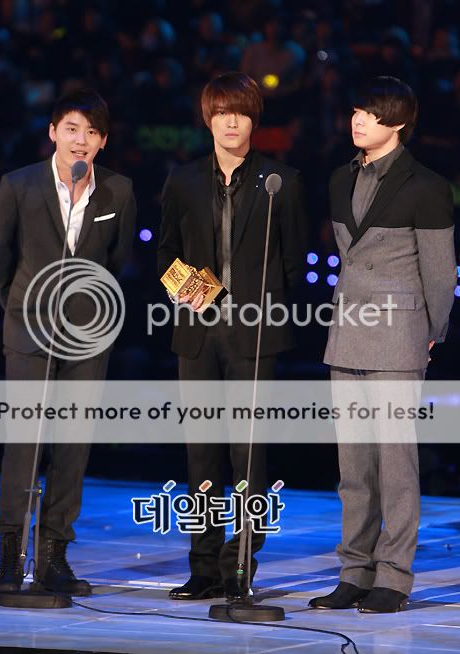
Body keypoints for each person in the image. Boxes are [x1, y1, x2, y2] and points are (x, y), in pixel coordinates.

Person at [158, 71, 306, 601]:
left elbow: (294, 262)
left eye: (240, 113)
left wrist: (260, 309)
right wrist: (194, 291)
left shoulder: (281, 181)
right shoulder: (183, 181)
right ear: (208, 119)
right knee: (201, 454)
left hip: (254, 336)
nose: (230, 122)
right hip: (196, 335)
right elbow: (165, 252)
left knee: (248, 455)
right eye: (222, 113)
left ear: (253, 120)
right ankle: (203, 567)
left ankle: (240, 563)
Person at [310, 76, 456, 613]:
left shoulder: (426, 185)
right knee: (354, 467)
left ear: (397, 122)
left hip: (398, 335)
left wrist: (432, 332)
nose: (358, 120)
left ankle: (393, 576)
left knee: (396, 464)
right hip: (347, 331)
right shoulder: (338, 178)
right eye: (356, 110)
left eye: (370, 113)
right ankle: (355, 570)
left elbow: (440, 272)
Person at [0, 89, 136, 597]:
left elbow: (117, 262)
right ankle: (11, 555)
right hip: (29, 330)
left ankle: (54, 554)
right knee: (24, 444)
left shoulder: (118, 191)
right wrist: (23, 307)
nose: (80, 140)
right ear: (53, 132)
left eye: (91, 132)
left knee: (72, 446)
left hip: (87, 337)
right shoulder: (19, 184)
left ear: (103, 141)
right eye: (71, 129)